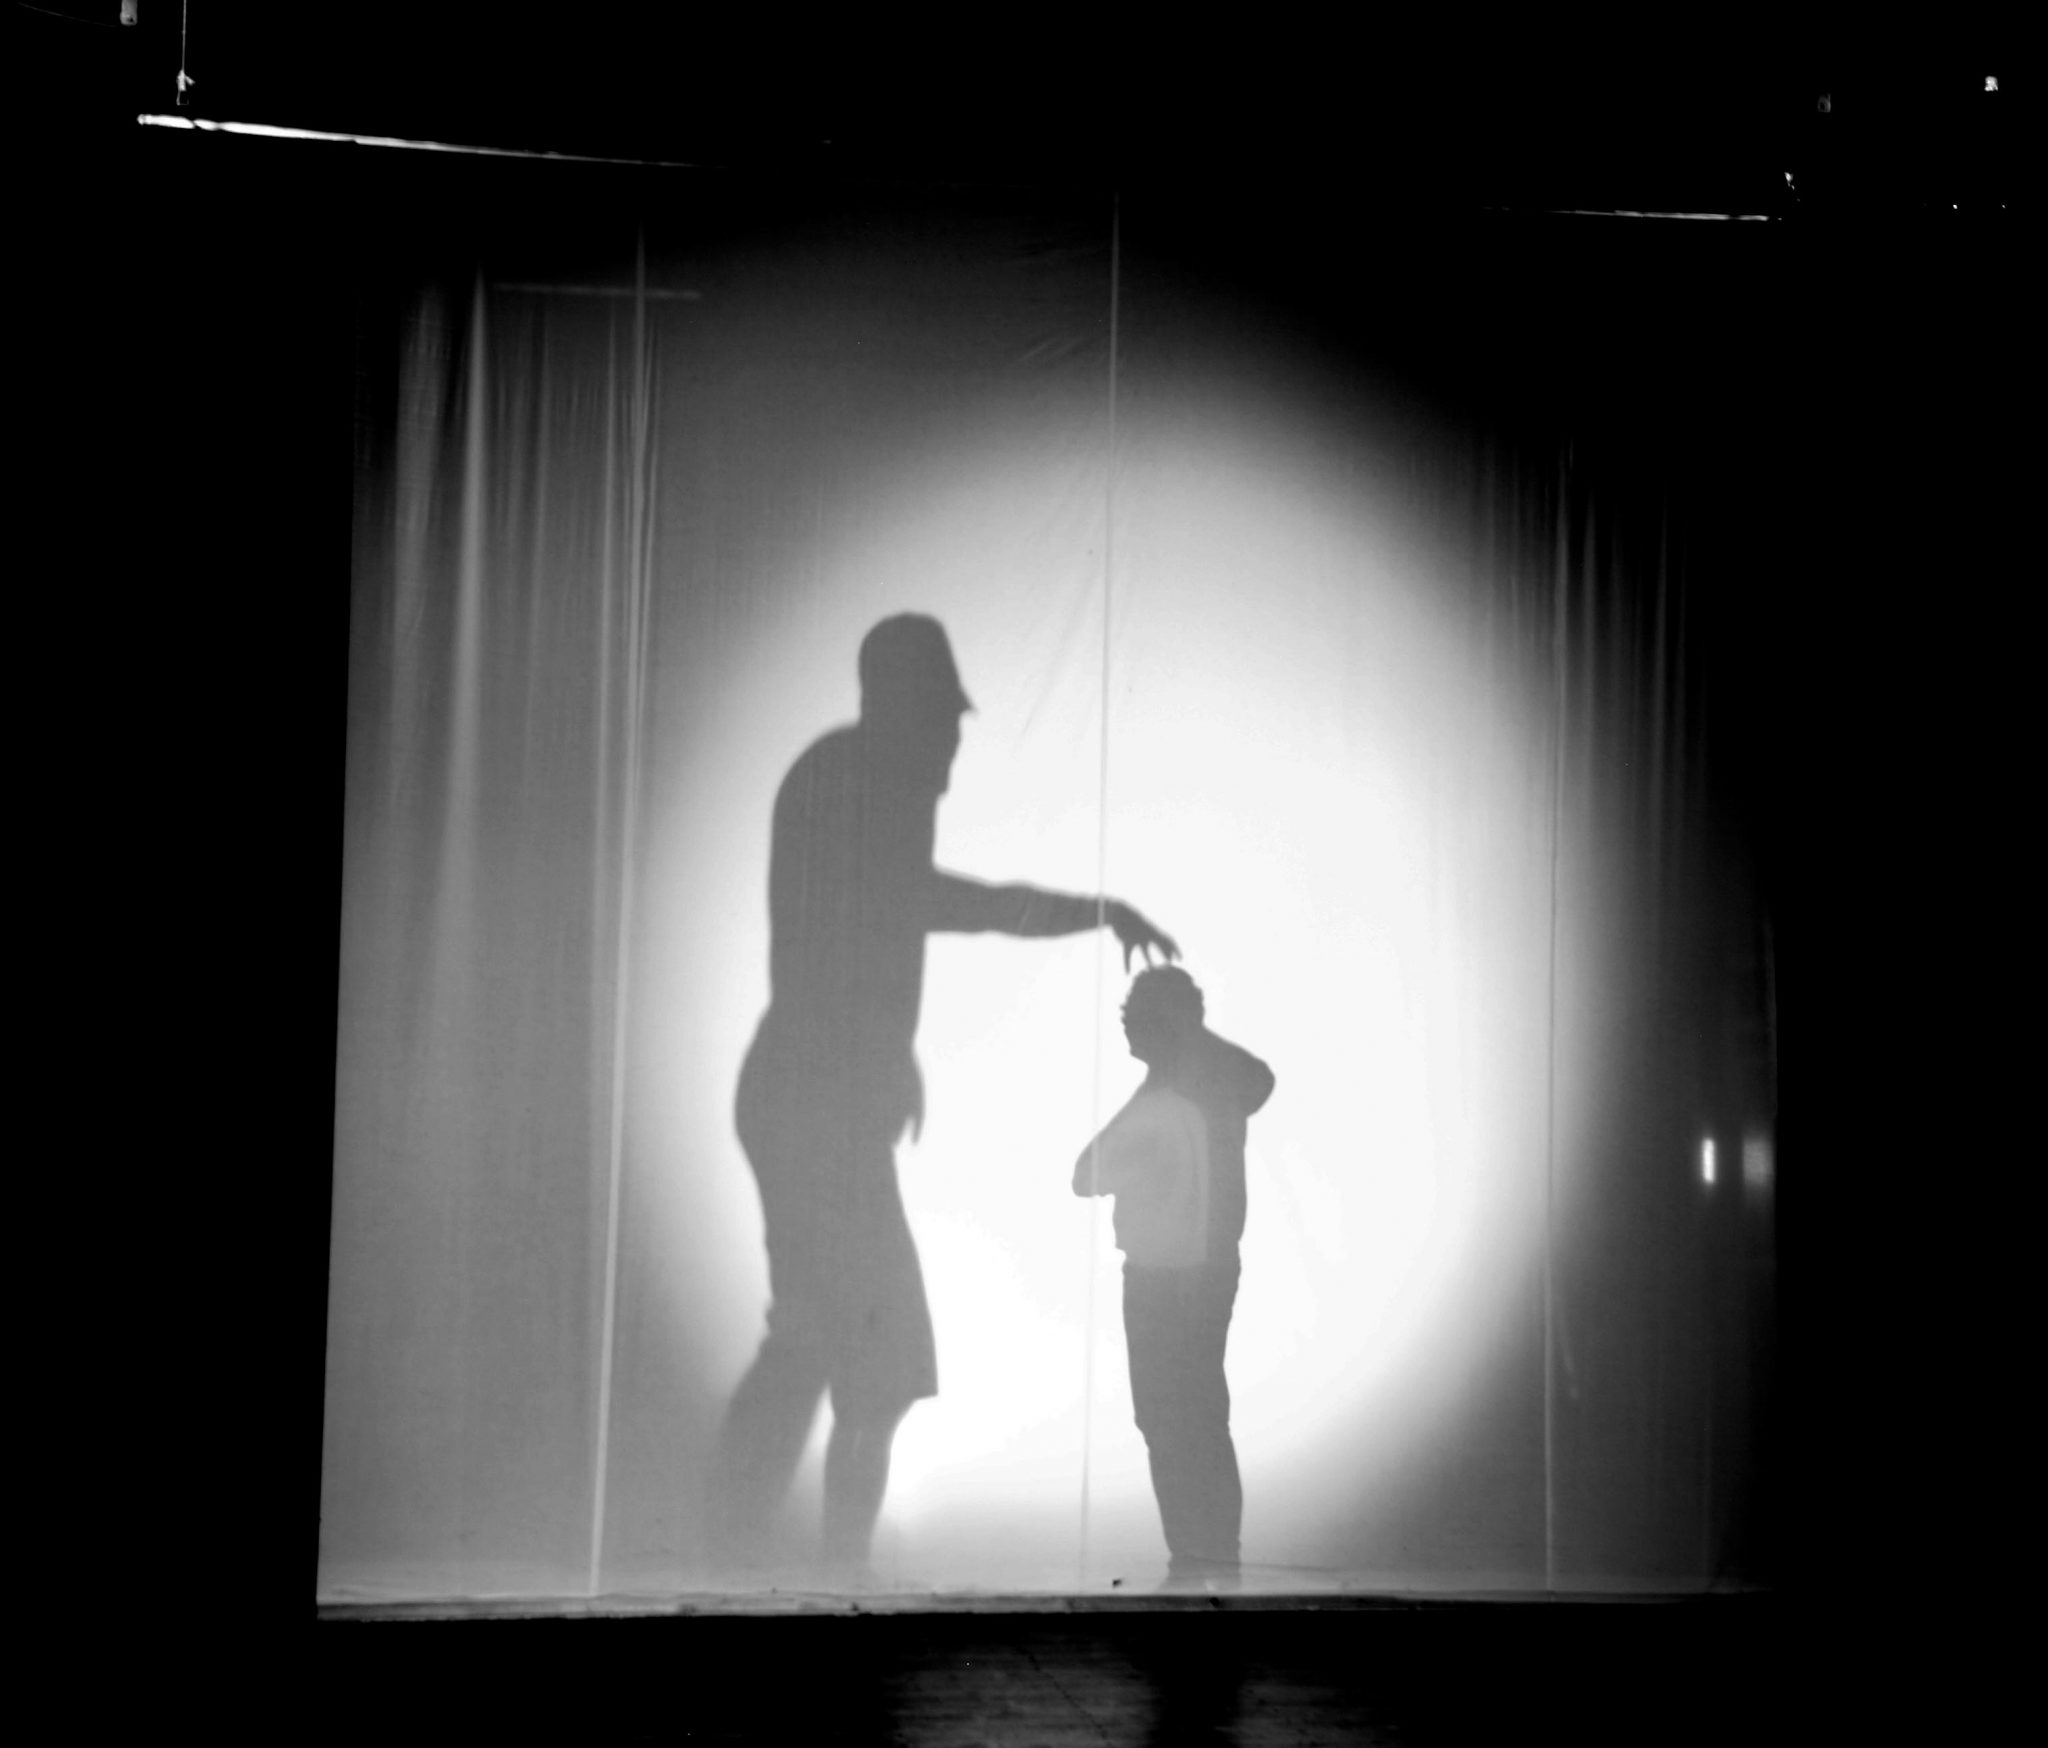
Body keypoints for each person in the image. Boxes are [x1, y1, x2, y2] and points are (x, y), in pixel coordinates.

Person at [706, 613, 1178, 1582]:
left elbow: (856, 936)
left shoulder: (852, 778)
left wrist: (890, 1057)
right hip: (812, 1107)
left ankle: (780, 1565)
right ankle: (764, 1564)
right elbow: (920, 905)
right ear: (900, 708)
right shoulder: (855, 782)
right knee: (838, 1349)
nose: (952, 751)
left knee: (842, 1352)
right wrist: (1092, 912)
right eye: (943, 723)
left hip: (814, 1100)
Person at [1074, 965, 1274, 1588]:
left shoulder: (1195, 1087)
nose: (1126, 1029)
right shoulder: (1184, 1086)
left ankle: (1204, 1556)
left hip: (1182, 1275)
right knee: (1179, 1417)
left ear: (1164, 1023)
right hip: (1180, 1271)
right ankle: (1201, 1555)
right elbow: (1088, 1173)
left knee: (1183, 1417)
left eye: (1135, 1017)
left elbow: (1087, 1173)